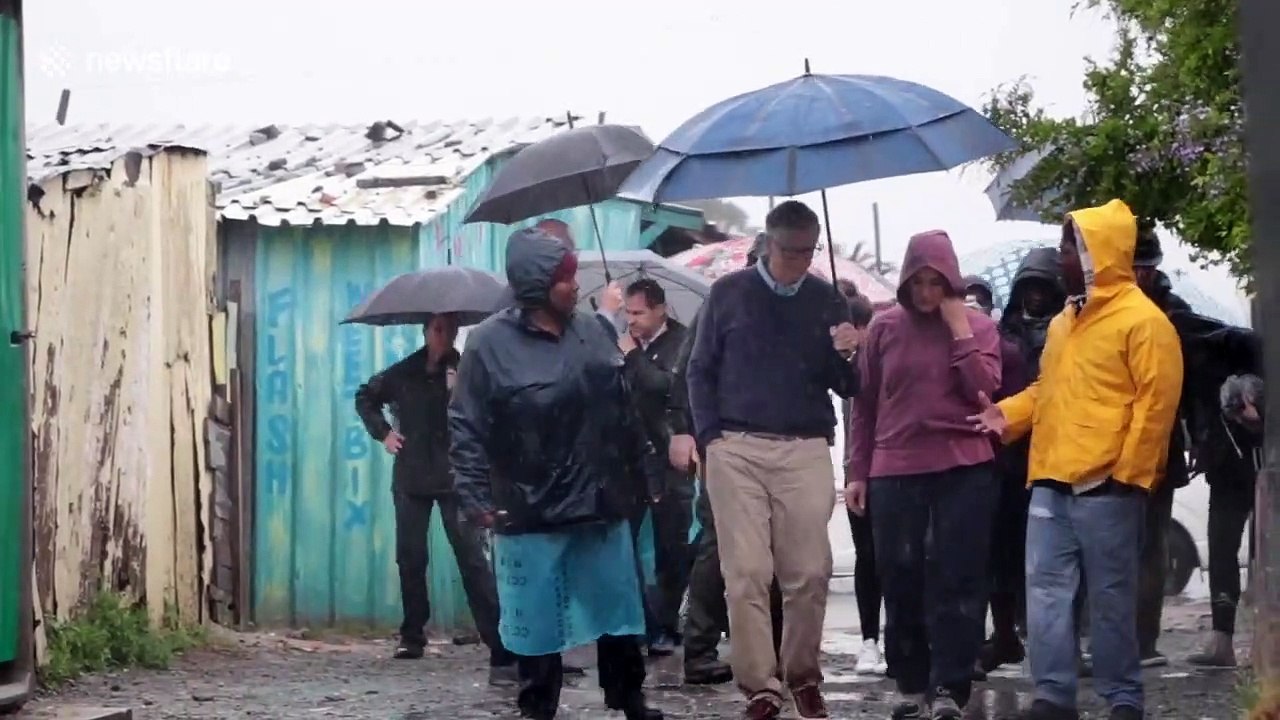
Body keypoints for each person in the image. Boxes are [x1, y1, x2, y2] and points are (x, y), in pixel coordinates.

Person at [969, 199, 1183, 720]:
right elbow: (1049, 391)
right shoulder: (1067, 321)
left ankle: (1122, 697)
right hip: (1049, 478)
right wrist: (1006, 416)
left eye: (1069, 247)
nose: (1060, 257)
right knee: (1043, 594)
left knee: (1110, 598)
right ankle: (1053, 696)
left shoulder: (1143, 323)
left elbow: (1157, 404)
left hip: (1107, 484)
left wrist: (1131, 477)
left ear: (1097, 254)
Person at [447, 227, 665, 720]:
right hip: (531, 503)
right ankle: (537, 706)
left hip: (598, 496)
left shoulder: (593, 329)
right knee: (537, 620)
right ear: (536, 283)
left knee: (618, 610)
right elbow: (466, 426)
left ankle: (630, 697)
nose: (574, 286)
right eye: (565, 278)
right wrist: (475, 496)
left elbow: (621, 406)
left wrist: (643, 470)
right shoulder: (488, 344)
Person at [688, 200, 860, 720]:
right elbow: (698, 371)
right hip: (735, 447)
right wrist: (710, 438)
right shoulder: (728, 294)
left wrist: (849, 353)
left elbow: (849, 387)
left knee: (809, 571)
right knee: (746, 572)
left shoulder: (828, 300)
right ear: (768, 243)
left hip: (804, 445)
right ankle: (760, 687)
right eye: (791, 252)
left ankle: (802, 675)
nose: (800, 262)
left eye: (809, 252)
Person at [846, 231, 1003, 720]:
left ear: (952, 283)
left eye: (938, 283)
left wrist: (959, 330)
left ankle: (952, 687)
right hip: (895, 468)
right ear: (907, 281)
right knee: (900, 574)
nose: (928, 292)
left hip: (964, 465)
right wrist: (857, 471)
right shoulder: (884, 329)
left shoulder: (979, 327)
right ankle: (912, 684)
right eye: (919, 282)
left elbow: (985, 390)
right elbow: (863, 406)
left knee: (958, 577)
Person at [353, 313, 516, 682]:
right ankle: (412, 635)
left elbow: (485, 413)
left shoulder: (463, 370)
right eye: (438, 329)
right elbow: (365, 397)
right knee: (410, 557)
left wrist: (457, 390)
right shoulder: (403, 372)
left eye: (451, 330)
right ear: (425, 331)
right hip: (411, 477)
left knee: (472, 559)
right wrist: (384, 434)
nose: (444, 336)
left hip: (455, 478)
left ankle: (499, 643)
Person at [668, 233, 785, 687]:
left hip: (781, 450)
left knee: (777, 549)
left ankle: (770, 651)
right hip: (727, 446)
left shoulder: (796, 315)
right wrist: (698, 434)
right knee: (719, 545)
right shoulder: (722, 305)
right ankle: (699, 649)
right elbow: (687, 373)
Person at [979, 249, 1065, 675]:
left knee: (1052, 559)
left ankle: (1052, 641)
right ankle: (1005, 634)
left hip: (1054, 456)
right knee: (1002, 552)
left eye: (1042, 287)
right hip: (1008, 458)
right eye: (1027, 288)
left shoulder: (1068, 332)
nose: (1034, 296)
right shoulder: (1001, 334)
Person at [619, 278, 692, 656]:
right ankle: (641, 623)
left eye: (638, 312)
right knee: (621, 543)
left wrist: (633, 357)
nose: (631, 320)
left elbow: (667, 388)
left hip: (669, 457)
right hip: (631, 461)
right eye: (627, 312)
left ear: (660, 309)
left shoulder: (681, 342)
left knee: (671, 548)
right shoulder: (623, 344)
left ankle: (665, 626)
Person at [834, 289, 884, 677]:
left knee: (897, 559)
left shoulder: (884, 357)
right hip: (858, 471)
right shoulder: (844, 364)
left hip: (893, 470)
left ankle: (897, 638)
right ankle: (870, 640)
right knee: (867, 557)